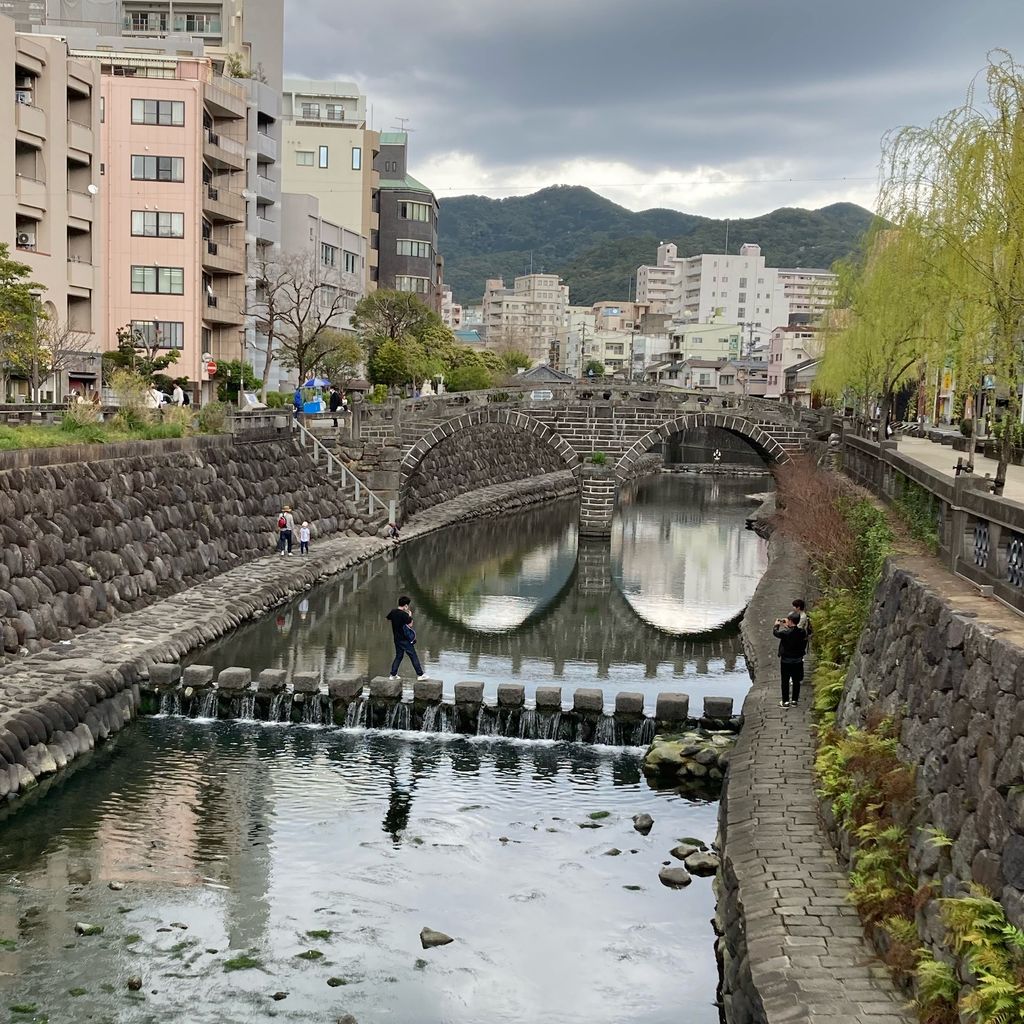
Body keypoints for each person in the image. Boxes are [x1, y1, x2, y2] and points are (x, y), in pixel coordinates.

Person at [772, 612, 808, 709]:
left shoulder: (785, 633)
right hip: (798, 660)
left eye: (788, 620)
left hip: (786, 661)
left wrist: (776, 625)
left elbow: (776, 633)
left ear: (791, 621)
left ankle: (786, 702)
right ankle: (795, 701)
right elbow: (793, 633)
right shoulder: (802, 632)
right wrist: (787, 625)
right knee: (796, 681)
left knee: (785, 681)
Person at [386, 595, 426, 680]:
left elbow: (388, 618)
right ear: (406, 605)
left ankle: (393, 675)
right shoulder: (404, 614)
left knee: (399, 656)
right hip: (404, 639)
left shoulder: (393, 612)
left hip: (396, 638)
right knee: (413, 655)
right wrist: (410, 615)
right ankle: (420, 675)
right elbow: (410, 624)